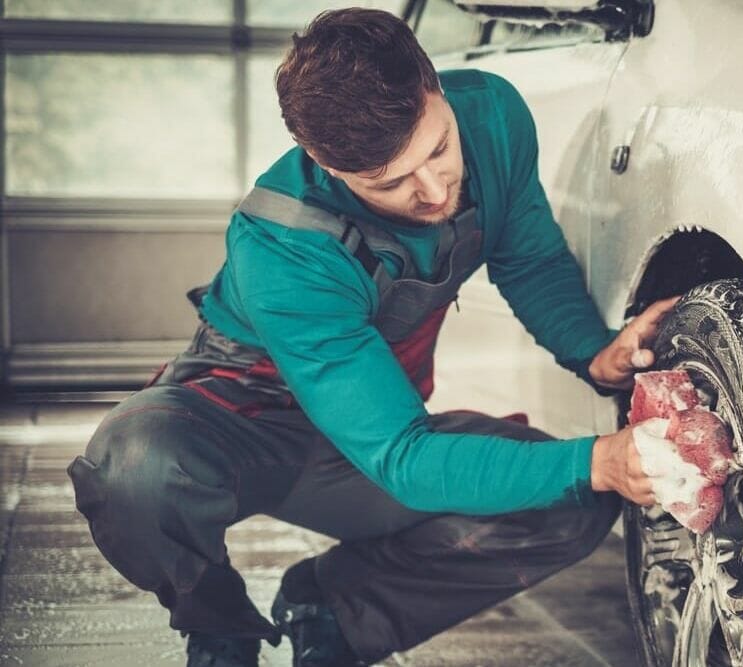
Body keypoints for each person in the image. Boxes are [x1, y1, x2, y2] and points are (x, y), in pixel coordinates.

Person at [68, 8, 678, 667]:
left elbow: (526, 257)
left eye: (438, 148)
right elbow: (406, 460)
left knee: (571, 502)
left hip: (368, 432)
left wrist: (596, 351)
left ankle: (336, 608)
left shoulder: (494, 118)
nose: (434, 187)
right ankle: (220, 626)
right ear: (325, 163)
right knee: (133, 471)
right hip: (239, 422)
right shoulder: (281, 244)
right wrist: (601, 455)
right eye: (390, 183)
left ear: (433, 82)